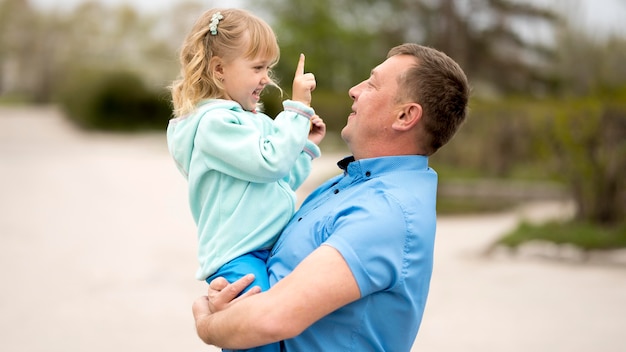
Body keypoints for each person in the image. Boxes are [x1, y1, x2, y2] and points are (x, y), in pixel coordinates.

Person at [192, 43, 470, 351]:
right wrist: (229, 298)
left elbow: (270, 319)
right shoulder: (347, 185)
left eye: (372, 84)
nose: (354, 90)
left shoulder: (385, 212)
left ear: (405, 115)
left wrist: (208, 322)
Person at [166, 8, 326, 352]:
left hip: (268, 247)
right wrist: (296, 109)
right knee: (257, 338)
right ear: (219, 69)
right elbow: (270, 162)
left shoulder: (252, 121)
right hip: (238, 254)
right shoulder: (214, 126)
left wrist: (305, 147)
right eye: (257, 68)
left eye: (268, 68)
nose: (266, 78)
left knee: (282, 332)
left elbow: (280, 176)